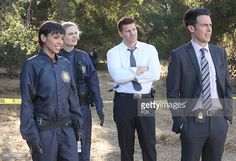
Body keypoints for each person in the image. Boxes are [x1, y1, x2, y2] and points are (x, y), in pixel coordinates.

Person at [166, 8, 233, 161]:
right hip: (192, 122)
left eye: (210, 25)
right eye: (204, 25)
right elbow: (172, 93)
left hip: (218, 122)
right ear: (191, 28)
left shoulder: (219, 53)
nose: (209, 29)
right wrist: (181, 122)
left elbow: (226, 87)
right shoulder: (178, 55)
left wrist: (227, 116)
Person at [20, 21, 83, 161]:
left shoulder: (64, 64)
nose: (60, 42)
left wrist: (78, 127)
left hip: (67, 132)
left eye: (62, 38)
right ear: (43, 38)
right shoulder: (32, 65)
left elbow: (73, 98)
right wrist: (31, 136)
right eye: (55, 37)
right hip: (45, 133)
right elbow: (27, 103)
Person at [107, 17, 161, 161]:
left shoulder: (149, 50)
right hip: (124, 102)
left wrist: (129, 73)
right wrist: (139, 71)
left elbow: (155, 74)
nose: (132, 33)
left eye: (134, 29)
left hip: (145, 100)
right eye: (127, 31)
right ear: (120, 33)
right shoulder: (113, 53)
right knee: (126, 145)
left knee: (149, 143)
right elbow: (117, 77)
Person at [59, 21, 104, 161]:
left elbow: (93, 83)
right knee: (64, 144)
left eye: (76, 33)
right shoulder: (55, 56)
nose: (74, 36)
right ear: (62, 36)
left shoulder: (84, 57)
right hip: (62, 110)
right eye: (70, 33)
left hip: (82, 108)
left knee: (82, 143)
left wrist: (99, 106)